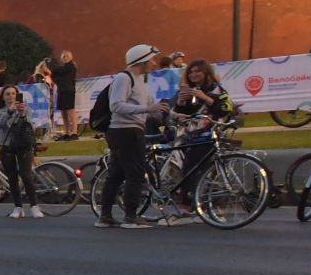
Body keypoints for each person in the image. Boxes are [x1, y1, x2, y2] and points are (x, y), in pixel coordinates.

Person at [95, 42, 168, 228]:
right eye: (151, 60)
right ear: (141, 60)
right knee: (135, 173)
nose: (153, 64)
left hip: (128, 131)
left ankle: (105, 216)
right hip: (125, 131)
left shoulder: (139, 81)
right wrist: (146, 108)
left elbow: (154, 106)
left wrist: (174, 115)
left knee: (117, 174)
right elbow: (116, 105)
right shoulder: (124, 78)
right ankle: (130, 216)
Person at [169, 59, 236, 211]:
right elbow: (184, 113)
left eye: (198, 71)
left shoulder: (217, 89)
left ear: (206, 73)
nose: (194, 74)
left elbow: (225, 108)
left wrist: (205, 97)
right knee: (188, 170)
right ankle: (190, 205)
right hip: (191, 136)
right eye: (191, 72)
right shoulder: (189, 91)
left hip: (211, 135)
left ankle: (205, 205)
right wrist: (180, 103)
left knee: (208, 171)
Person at [0, 85, 42, 219]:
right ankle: (18, 207)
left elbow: (30, 125)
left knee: (26, 175)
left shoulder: (25, 108)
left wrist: (23, 114)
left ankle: (34, 206)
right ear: (3, 96)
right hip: (6, 145)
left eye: (14, 93)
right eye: (7, 94)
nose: (11, 96)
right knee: (12, 177)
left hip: (23, 145)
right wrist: (9, 112)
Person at [51, 50, 80, 138]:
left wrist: (51, 69)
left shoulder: (71, 66)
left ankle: (74, 132)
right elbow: (54, 77)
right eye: (63, 56)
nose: (65, 58)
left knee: (70, 111)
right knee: (63, 112)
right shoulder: (60, 69)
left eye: (67, 56)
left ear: (71, 57)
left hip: (69, 91)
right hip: (61, 91)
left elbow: (57, 71)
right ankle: (66, 132)